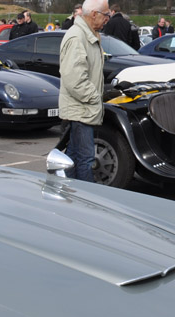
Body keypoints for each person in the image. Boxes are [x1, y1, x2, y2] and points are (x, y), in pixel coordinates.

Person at [58, 0, 108, 183]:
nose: (108, 19)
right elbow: (75, 80)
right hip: (81, 110)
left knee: (73, 156)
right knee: (85, 159)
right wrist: (95, 98)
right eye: (106, 15)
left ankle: (68, 190)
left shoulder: (87, 35)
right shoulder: (77, 37)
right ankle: (83, 195)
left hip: (82, 109)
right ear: (94, 14)